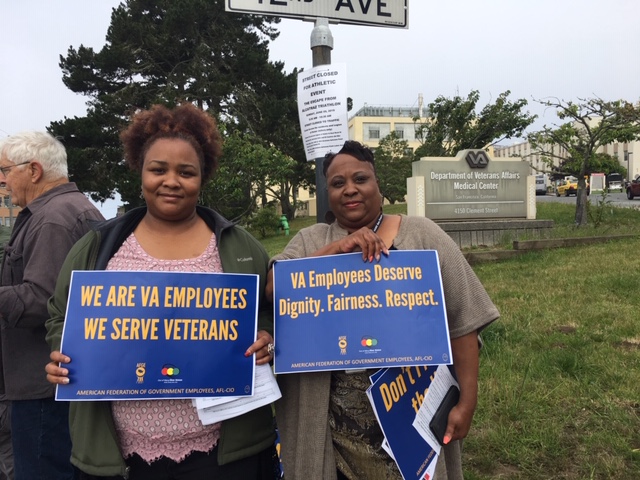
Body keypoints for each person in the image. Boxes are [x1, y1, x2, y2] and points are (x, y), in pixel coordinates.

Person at [45, 103, 278, 479]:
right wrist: (64, 351)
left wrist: (266, 336)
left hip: (225, 455)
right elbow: (61, 314)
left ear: (202, 178)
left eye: (186, 172)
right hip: (122, 455)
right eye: (158, 169)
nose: (171, 181)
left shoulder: (239, 246)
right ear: (140, 172)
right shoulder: (99, 246)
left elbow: (267, 310)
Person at [266, 140, 499, 480]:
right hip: (333, 429)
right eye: (337, 183)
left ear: (378, 185)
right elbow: (274, 288)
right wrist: (337, 248)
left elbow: (464, 321)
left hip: (411, 415)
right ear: (327, 194)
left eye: (360, 179)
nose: (350, 190)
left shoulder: (423, 235)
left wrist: (467, 402)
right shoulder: (310, 240)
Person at [0, 132, 105, 479]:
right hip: (56, 384)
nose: (2, 180)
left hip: (45, 387)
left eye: (4, 170)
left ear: (33, 170)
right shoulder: (68, 209)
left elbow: (41, 302)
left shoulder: (53, 219)